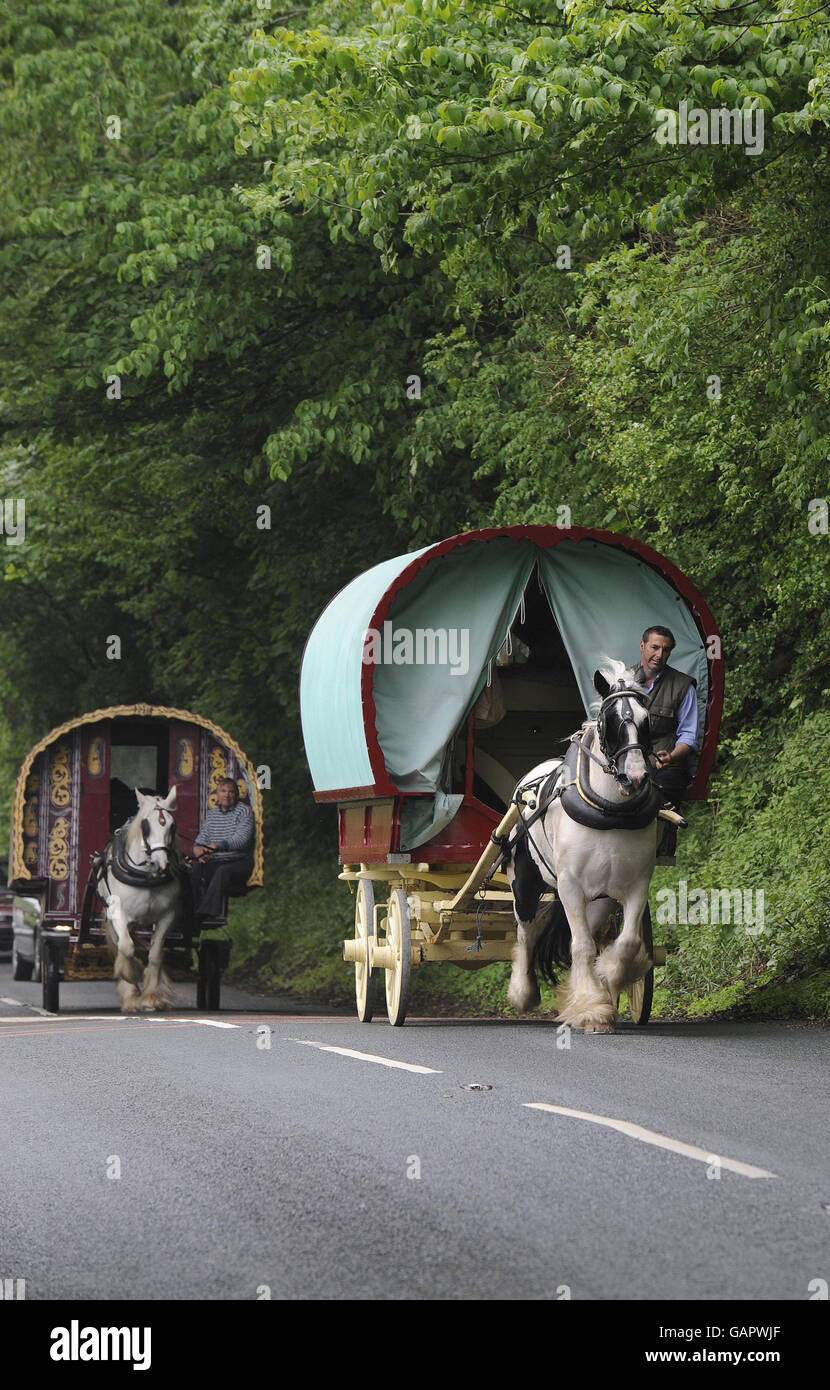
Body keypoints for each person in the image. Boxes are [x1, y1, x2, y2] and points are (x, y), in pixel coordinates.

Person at [633, 626, 698, 858]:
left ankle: (655, 847)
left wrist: (672, 755)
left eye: (666, 650)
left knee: (665, 786)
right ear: (642, 646)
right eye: (655, 647)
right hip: (629, 760)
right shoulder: (624, 680)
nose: (659, 655)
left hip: (666, 764)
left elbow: (689, 735)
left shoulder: (683, 686)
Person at [189, 777, 254, 921]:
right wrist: (198, 850)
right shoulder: (213, 814)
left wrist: (218, 845)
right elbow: (201, 840)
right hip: (217, 861)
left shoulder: (244, 811)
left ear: (236, 795)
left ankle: (206, 913)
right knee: (195, 870)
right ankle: (192, 910)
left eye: (231, 792)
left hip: (240, 861)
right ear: (217, 794)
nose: (227, 795)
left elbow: (242, 841)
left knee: (223, 871)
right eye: (223, 791)